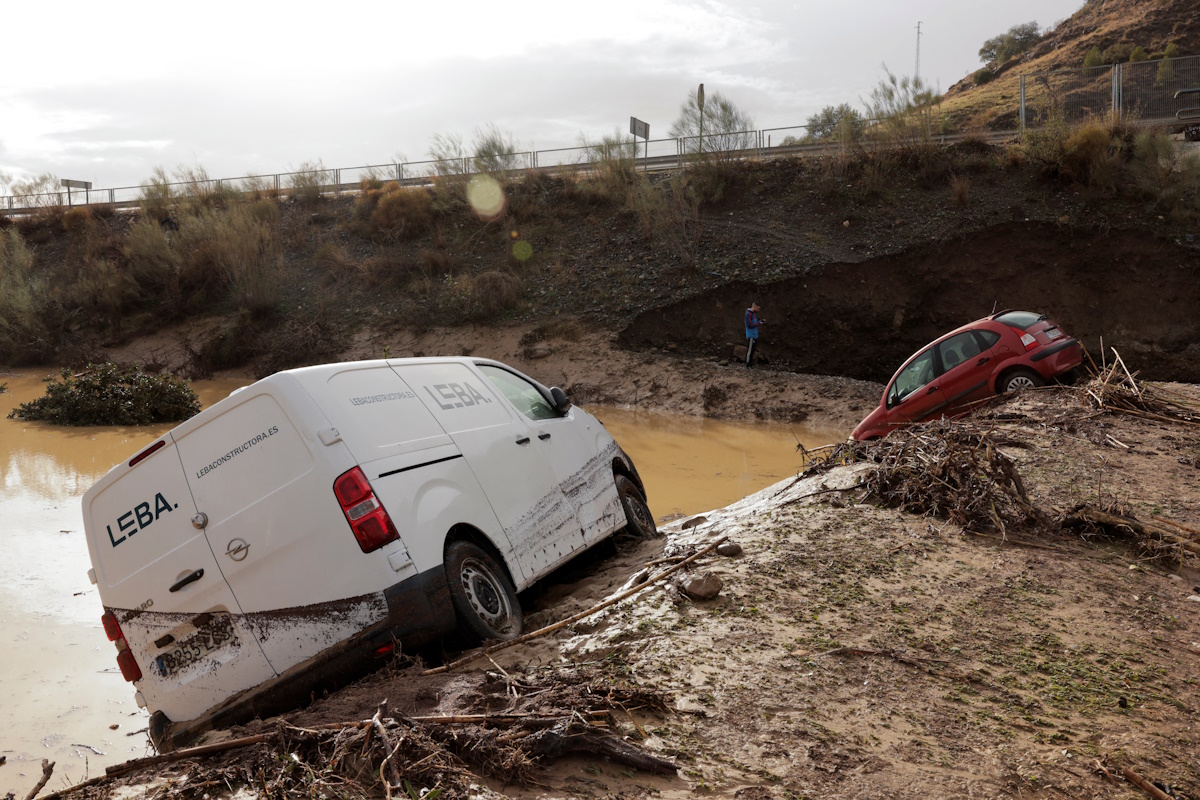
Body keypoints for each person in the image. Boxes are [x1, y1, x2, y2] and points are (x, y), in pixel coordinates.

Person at [744, 302, 764, 368]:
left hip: (754, 334)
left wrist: (759, 322)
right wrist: (759, 323)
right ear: (755, 306)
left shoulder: (754, 314)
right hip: (751, 335)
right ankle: (748, 364)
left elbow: (754, 323)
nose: (759, 310)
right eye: (758, 308)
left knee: (752, 350)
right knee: (750, 350)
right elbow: (749, 325)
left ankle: (750, 364)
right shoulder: (748, 314)